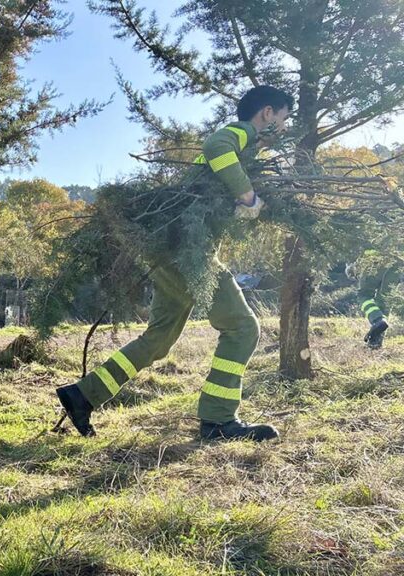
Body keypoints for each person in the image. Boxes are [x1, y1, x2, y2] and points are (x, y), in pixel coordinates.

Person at [55, 86, 294, 442]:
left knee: (159, 339)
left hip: (170, 250)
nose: (284, 126)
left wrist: (239, 205)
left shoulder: (245, 150)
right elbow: (216, 147)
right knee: (243, 328)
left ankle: (83, 395)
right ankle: (217, 421)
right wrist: (248, 196)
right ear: (268, 113)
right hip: (189, 255)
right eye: (284, 117)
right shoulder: (241, 133)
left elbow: (210, 187)